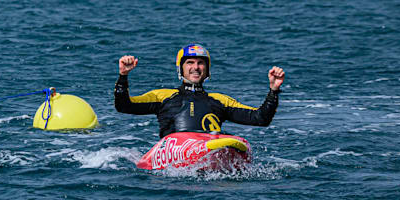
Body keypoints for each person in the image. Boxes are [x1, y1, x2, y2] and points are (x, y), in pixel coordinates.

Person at [114, 43, 284, 138]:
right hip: (172, 154)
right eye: (190, 62)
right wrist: (123, 76)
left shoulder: (220, 100)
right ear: (180, 68)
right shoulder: (162, 96)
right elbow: (124, 106)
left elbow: (260, 119)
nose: (196, 67)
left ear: (207, 69)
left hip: (209, 148)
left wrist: (273, 91)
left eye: (200, 63)